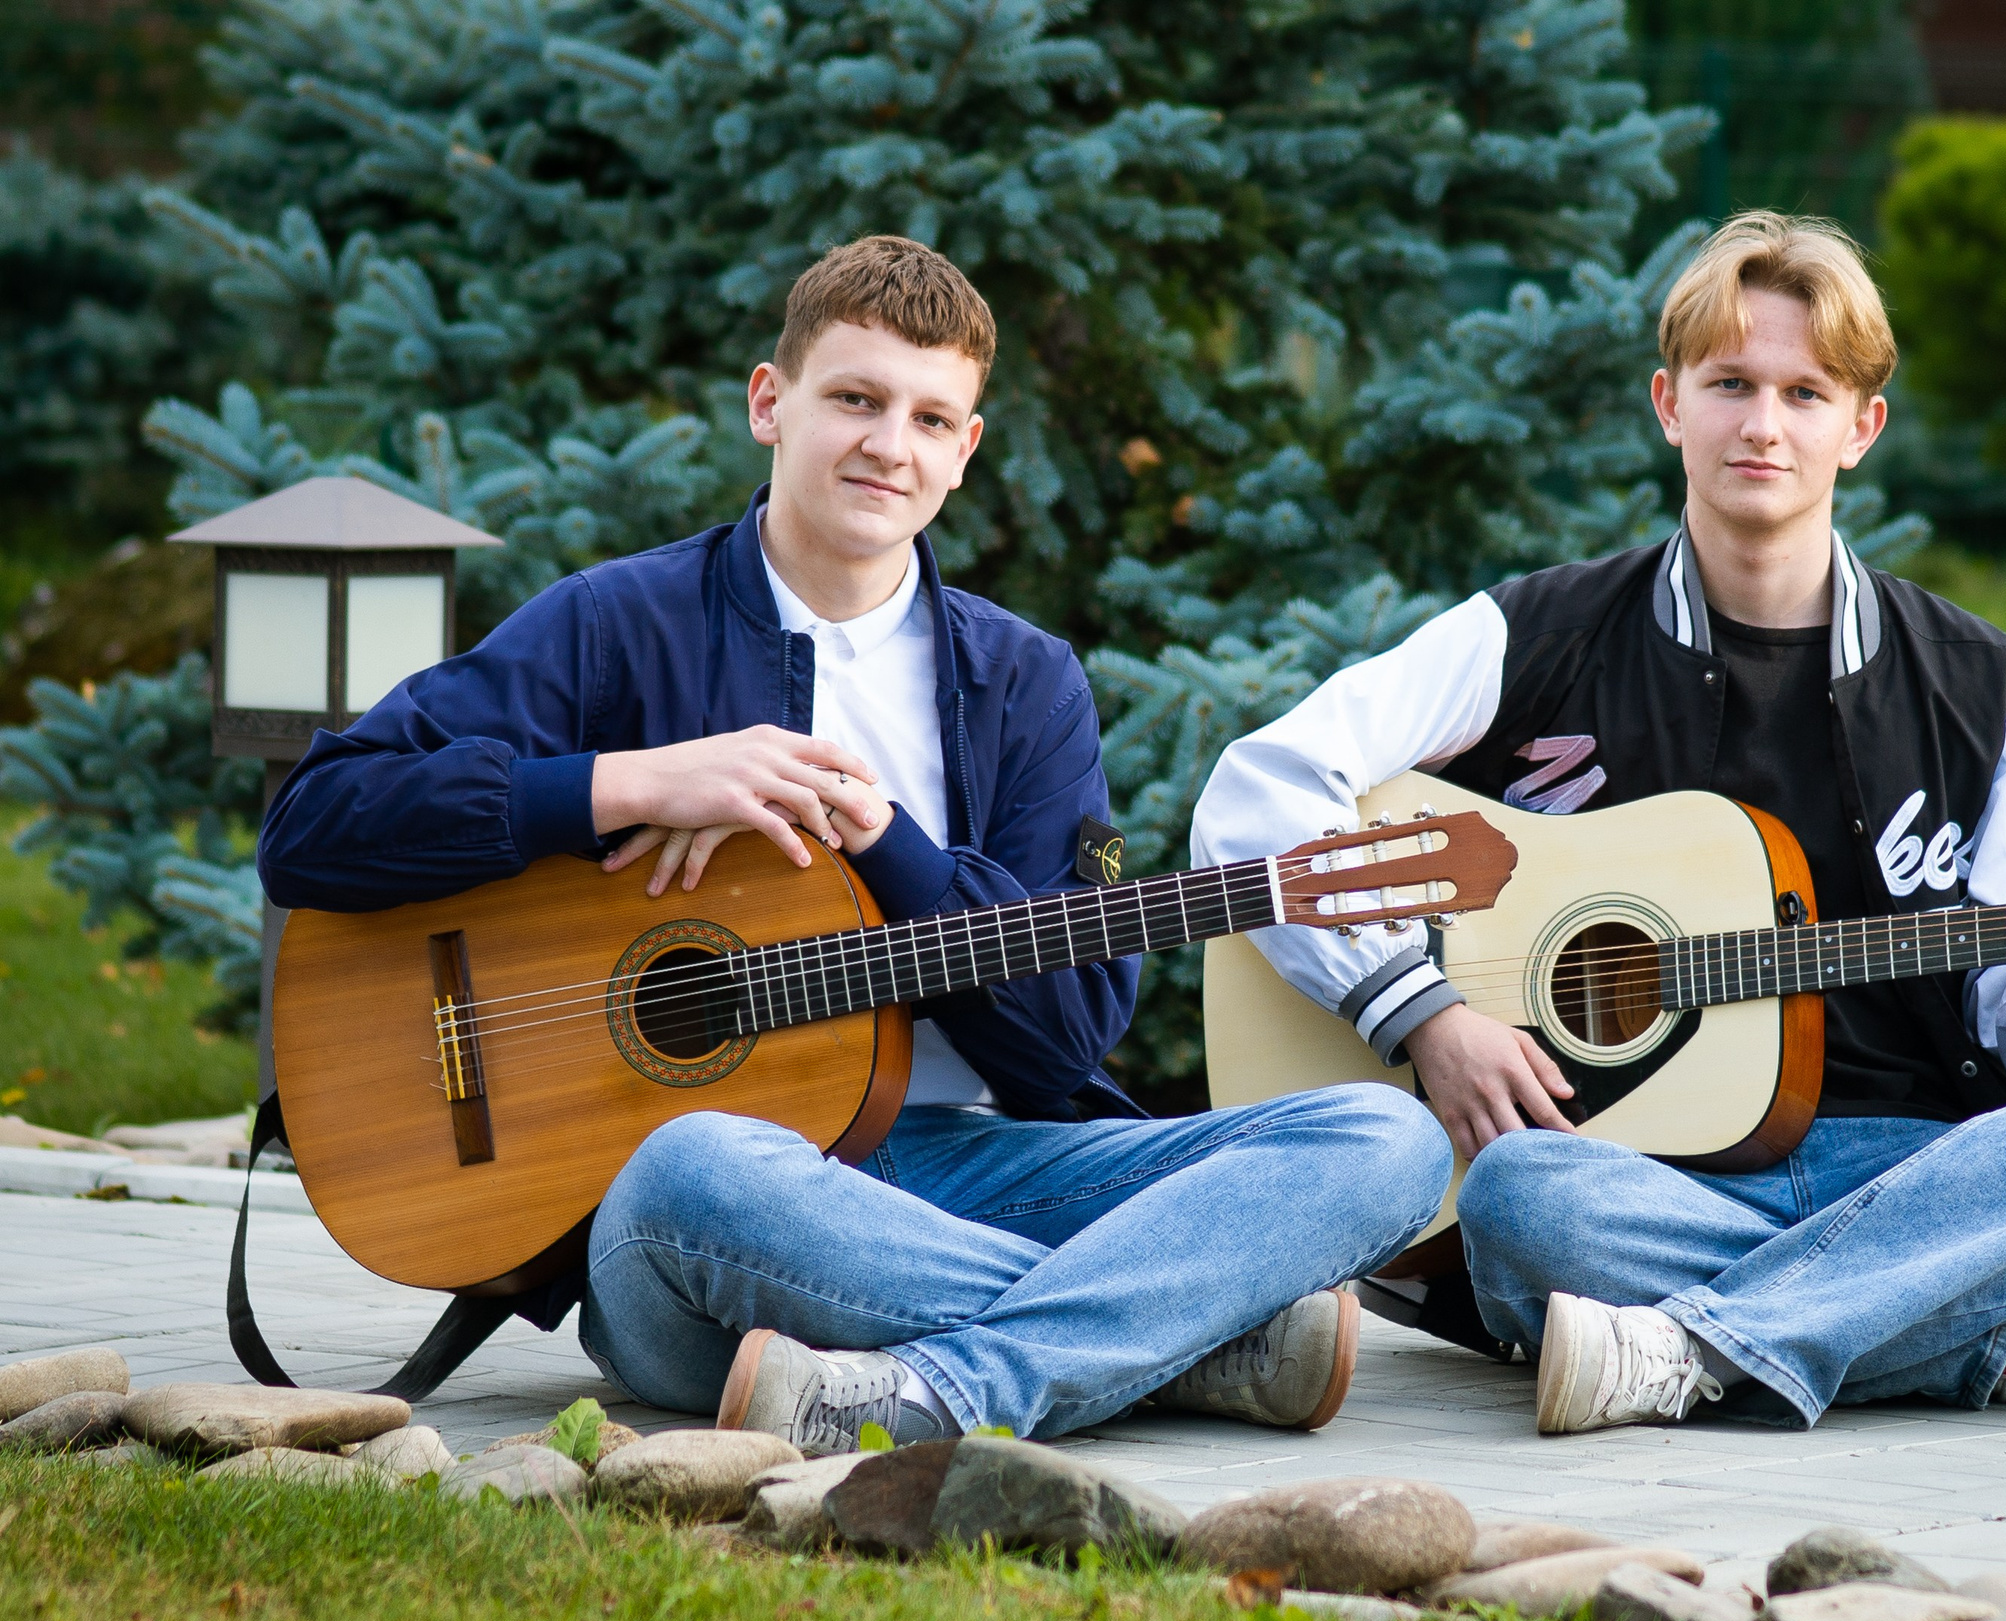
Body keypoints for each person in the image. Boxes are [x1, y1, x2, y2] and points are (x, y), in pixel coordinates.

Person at [258, 236, 1450, 1449]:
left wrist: (890, 845)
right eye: (856, 399)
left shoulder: (1024, 685)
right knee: (695, 1160)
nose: (892, 444)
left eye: (934, 418)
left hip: (970, 1175)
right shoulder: (618, 625)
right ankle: (1188, 1340)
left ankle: (953, 1387)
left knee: (1384, 1135)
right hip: (714, 1223)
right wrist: (628, 781)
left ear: (965, 452)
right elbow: (313, 824)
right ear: (770, 404)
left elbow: (1060, 1047)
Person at [1192, 211, 2006, 1436]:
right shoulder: (1542, 633)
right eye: (1729, 384)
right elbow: (1257, 790)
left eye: (1803, 391)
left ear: (1861, 427)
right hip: (1632, 1177)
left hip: (1903, 1164)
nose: (1763, 425)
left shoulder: (1977, 682)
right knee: (1516, 1195)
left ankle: (1688, 1352)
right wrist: (1421, 1009)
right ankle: (1981, 1338)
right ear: (1669, 404)